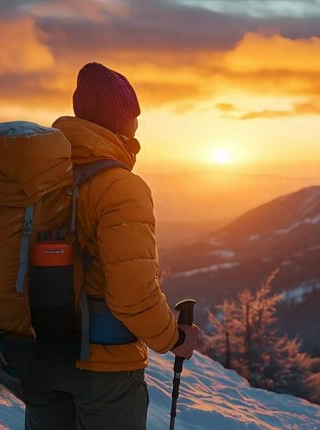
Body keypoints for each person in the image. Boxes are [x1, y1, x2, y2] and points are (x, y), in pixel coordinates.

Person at [20, 62, 201, 430]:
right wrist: (173, 338)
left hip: (41, 357)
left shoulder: (41, 177)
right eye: (134, 117)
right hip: (103, 367)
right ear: (122, 120)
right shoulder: (120, 186)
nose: (136, 126)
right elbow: (132, 295)